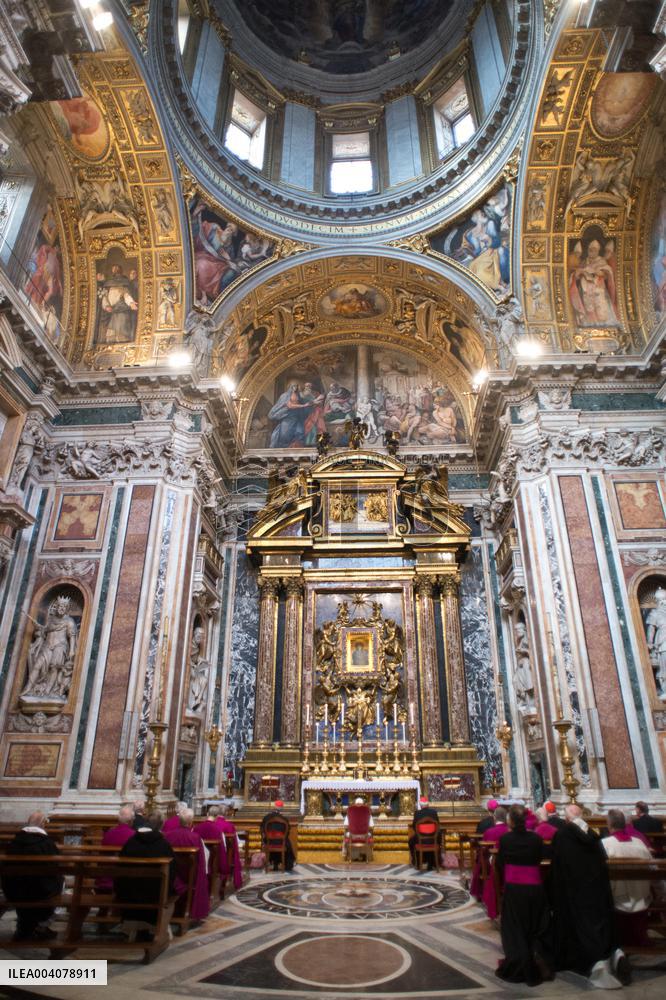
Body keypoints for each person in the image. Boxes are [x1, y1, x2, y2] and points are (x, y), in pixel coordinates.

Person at [550, 804, 628, 988]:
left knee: (581, 924)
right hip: (597, 890)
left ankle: (597, 963)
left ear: (567, 820)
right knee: (600, 922)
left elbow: (557, 866)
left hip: (575, 891)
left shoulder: (562, 836)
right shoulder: (594, 835)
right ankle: (615, 953)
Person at [496, 804, 553, 986]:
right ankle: (536, 959)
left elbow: (500, 863)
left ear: (510, 821)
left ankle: (518, 962)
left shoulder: (505, 839)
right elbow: (539, 859)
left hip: (514, 888)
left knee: (515, 927)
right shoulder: (536, 839)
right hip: (535, 888)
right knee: (535, 924)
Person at [1, 811, 63, 942]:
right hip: (41, 892)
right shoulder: (47, 844)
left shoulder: (14, 843)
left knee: (22, 885)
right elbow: (56, 869)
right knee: (59, 885)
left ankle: (26, 928)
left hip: (13, 891)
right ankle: (39, 926)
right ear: (42, 825)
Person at [602, 809, 653, 949]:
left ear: (609, 825)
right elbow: (653, 869)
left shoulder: (605, 844)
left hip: (617, 901)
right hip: (642, 898)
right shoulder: (639, 843)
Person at [116, 812, 176, 928]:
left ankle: (131, 923)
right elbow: (172, 871)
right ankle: (159, 928)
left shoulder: (131, 842)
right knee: (172, 893)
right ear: (161, 825)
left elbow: (120, 866)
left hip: (129, 894)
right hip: (156, 894)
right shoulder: (164, 844)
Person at [163, 807, 209, 921]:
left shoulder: (167, 836)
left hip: (170, 876)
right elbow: (201, 862)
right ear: (190, 822)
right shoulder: (195, 837)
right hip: (189, 876)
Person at [96, 804, 137, 892]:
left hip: (106, 877)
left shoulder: (108, 834)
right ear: (131, 821)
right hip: (125, 881)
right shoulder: (134, 836)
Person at [481, 806, 510, 919]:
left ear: (494, 817)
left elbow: (484, 850)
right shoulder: (508, 831)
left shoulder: (489, 832)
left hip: (495, 862)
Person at [213, 804, 244, 890]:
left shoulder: (212, 824)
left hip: (211, 856)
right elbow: (235, 844)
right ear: (226, 813)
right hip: (225, 857)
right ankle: (227, 877)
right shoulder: (229, 826)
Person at [261, 801, 295, 872]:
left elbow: (262, 830)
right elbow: (287, 832)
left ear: (274, 807)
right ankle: (286, 865)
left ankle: (272, 863)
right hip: (281, 842)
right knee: (287, 844)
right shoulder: (284, 819)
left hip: (269, 842)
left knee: (269, 841)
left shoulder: (266, 818)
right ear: (281, 808)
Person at [408, 796, 441, 869]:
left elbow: (414, 827)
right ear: (428, 804)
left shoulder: (417, 814)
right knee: (439, 839)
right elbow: (437, 825)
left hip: (420, 839)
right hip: (433, 839)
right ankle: (434, 863)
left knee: (411, 841)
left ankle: (417, 862)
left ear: (420, 805)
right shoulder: (434, 812)